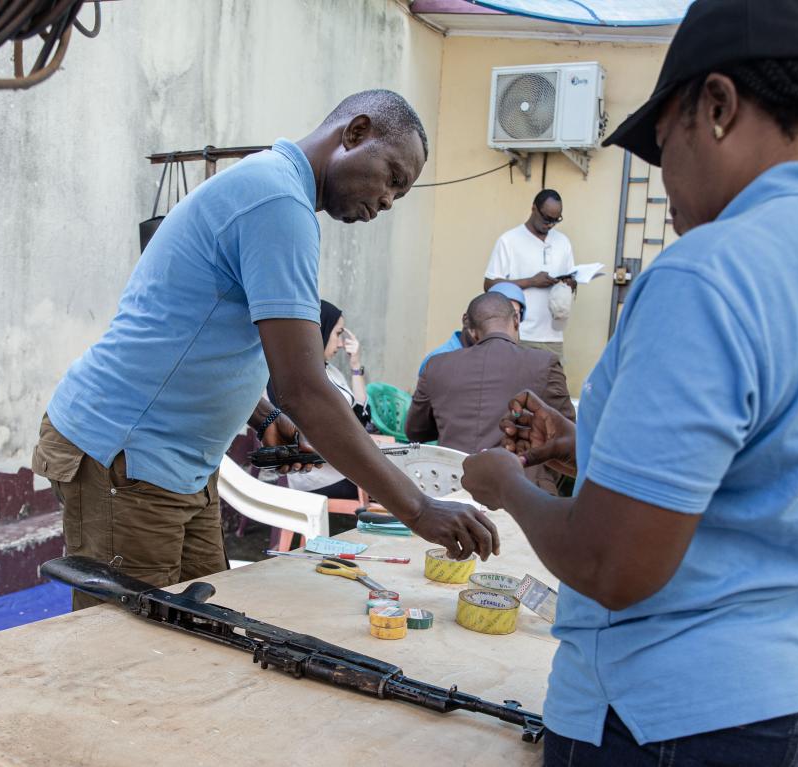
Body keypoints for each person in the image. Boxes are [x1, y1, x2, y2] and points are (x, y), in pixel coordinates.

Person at [460, 1, 798, 764]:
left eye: (664, 143)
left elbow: (613, 565)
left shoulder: (708, 271)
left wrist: (507, 484)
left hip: (667, 709)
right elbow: (781, 465)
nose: (663, 176)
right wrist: (588, 447)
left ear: (716, 106)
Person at [32, 89, 498, 610]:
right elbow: (304, 389)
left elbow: (204, 334)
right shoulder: (277, 202)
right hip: (128, 456)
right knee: (130, 646)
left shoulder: (274, 190)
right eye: (392, 177)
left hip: (178, 464)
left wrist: (263, 415)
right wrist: (418, 509)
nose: (388, 200)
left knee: (201, 631)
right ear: (355, 132)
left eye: (400, 194)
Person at [406, 291, 573, 494]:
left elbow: (415, 431)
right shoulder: (544, 363)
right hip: (524, 494)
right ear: (516, 321)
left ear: (472, 331)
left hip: (452, 489)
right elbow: (567, 433)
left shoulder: (436, 365)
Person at [280, 300, 368, 500]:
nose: (341, 343)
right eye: (338, 333)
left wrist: (355, 366)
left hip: (345, 468)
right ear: (319, 332)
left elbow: (362, 418)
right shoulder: (304, 377)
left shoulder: (330, 371)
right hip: (321, 477)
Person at [484, 189, 575, 362]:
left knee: (553, 381)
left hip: (553, 335)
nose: (550, 225)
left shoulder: (563, 242)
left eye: (556, 220)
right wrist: (531, 281)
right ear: (534, 209)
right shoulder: (509, 240)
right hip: (520, 334)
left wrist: (571, 283)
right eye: (547, 218)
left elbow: (570, 278)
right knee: (516, 379)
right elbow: (489, 285)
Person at [417, 282, 527, 375]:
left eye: (511, 316)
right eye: (494, 314)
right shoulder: (439, 360)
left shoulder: (508, 358)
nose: (498, 326)